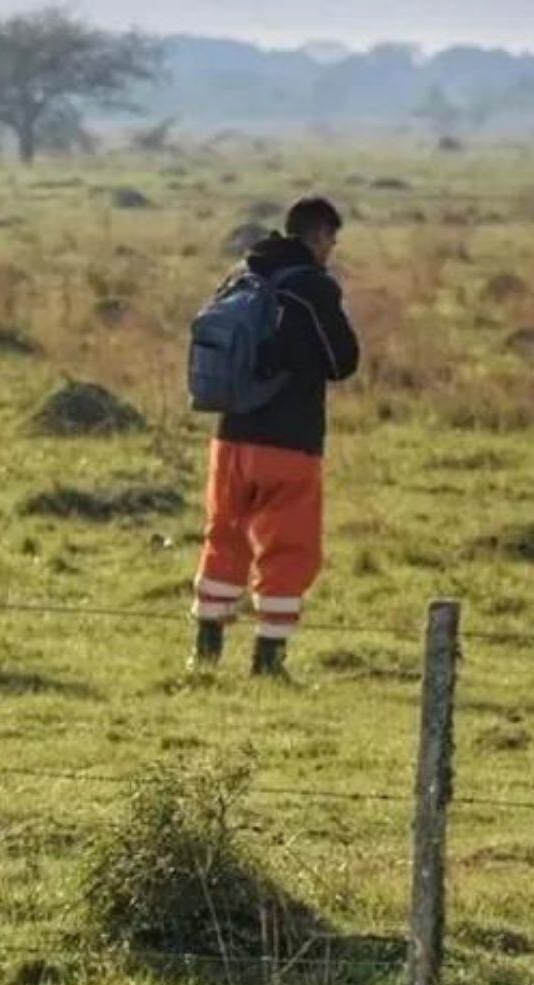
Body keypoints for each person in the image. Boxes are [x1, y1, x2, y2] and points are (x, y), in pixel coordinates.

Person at [189, 196, 360, 678]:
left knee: (223, 536)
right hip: (289, 440)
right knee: (289, 545)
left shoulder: (243, 273)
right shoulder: (311, 287)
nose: (332, 248)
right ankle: (269, 661)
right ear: (320, 235)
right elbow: (342, 362)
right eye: (332, 239)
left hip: (230, 436)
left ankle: (204, 652)